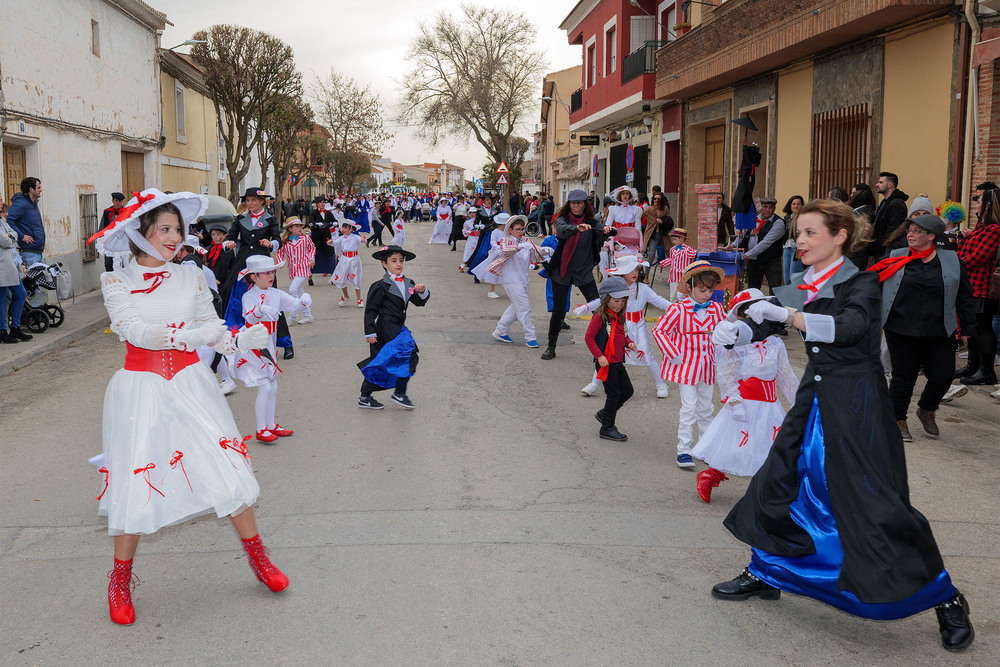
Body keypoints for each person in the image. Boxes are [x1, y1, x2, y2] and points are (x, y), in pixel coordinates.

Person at [710, 198, 973, 653]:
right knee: (780, 483)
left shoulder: (862, 281)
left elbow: (848, 327)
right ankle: (767, 573)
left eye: (811, 232)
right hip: (814, 399)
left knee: (876, 506)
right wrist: (741, 331)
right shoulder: (807, 281)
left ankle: (945, 599)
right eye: (799, 232)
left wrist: (788, 315)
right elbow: (771, 317)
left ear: (840, 236)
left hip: (856, 404)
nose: (801, 240)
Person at [87, 189, 286, 626]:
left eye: (178, 229)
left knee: (224, 466)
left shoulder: (191, 276)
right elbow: (136, 331)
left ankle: (259, 557)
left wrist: (237, 342)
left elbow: (210, 328)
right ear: (142, 233)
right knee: (138, 481)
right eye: (164, 229)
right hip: (141, 388)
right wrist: (192, 337)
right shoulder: (116, 282)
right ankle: (120, 579)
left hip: (191, 385)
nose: (174, 237)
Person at [869, 214, 975, 441]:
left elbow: (964, 295)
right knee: (903, 377)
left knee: (944, 375)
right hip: (900, 327)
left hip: (939, 328)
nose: (911, 234)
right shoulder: (896, 256)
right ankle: (897, 419)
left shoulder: (952, 261)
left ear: (931, 236)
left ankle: (926, 408)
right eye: (910, 230)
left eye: (917, 231)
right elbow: (876, 286)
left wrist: (968, 325)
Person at [692, 288, 798, 502]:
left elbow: (786, 376)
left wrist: (801, 403)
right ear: (740, 317)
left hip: (770, 406)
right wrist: (734, 401)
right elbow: (726, 374)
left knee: (771, 448)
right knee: (735, 446)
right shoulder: (737, 344)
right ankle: (710, 474)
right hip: (744, 404)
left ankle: (768, 493)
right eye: (746, 313)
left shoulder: (775, 343)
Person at [652, 260, 726, 469]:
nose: (707, 295)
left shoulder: (717, 309)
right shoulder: (678, 309)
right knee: (689, 408)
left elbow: (723, 332)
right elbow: (659, 331)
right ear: (689, 287)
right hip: (686, 366)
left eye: (710, 291)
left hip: (707, 367)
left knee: (706, 408)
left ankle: (706, 447)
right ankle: (683, 450)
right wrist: (673, 353)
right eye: (702, 290)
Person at [231, 255, 311, 443]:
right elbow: (249, 317)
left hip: (270, 342)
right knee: (265, 386)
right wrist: (260, 310)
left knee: (272, 385)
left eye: (273, 272)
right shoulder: (248, 296)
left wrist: (304, 301)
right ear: (253, 277)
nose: (271, 275)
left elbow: (294, 305)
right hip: (255, 343)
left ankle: (270, 424)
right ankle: (261, 429)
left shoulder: (275, 294)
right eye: (266, 272)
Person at [575, 255, 671, 398]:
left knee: (647, 354)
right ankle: (594, 383)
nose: (634, 273)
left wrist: (677, 309)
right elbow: (601, 300)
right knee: (607, 351)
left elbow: (659, 301)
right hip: (617, 324)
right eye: (630, 270)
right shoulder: (615, 287)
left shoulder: (643, 289)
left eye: (636, 270)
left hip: (638, 326)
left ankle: (660, 384)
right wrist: (586, 307)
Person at [542, 189, 614, 360]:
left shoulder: (591, 221)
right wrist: (577, 228)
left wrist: (607, 229)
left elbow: (599, 228)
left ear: (584, 205)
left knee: (598, 308)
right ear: (569, 204)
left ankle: (601, 349)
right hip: (562, 270)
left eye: (579, 203)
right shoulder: (563, 219)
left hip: (583, 270)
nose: (576, 206)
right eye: (573, 203)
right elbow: (561, 230)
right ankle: (551, 347)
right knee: (558, 312)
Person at [357, 245, 430, 410]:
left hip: (398, 327)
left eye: (401, 261)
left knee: (382, 362)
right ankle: (399, 393)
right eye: (394, 261)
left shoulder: (408, 282)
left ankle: (365, 397)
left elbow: (419, 302)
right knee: (407, 357)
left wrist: (422, 291)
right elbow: (370, 311)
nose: (399, 264)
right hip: (385, 327)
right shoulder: (380, 285)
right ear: (384, 264)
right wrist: (370, 332)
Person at [955, 185, 1000, 385]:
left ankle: (986, 371)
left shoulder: (995, 229)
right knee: (971, 326)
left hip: (982, 287)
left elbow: (978, 257)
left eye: (980, 202)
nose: (977, 204)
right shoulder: (982, 228)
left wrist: (956, 262)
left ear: (988, 206)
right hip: (970, 284)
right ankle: (973, 366)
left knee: (983, 327)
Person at [585, 275, 639, 442]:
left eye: (622, 301)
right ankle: (606, 428)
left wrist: (628, 343)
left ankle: (605, 414)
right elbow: (589, 338)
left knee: (628, 391)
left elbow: (622, 336)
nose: (619, 304)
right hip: (606, 362)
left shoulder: (619, 317)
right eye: (616, 301)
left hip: (617, 361)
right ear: (606, 299)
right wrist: (599, 356)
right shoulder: (599, 317)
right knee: (613, 394)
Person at [487, 215, 552, 348]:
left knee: (515, 308)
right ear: (510, 230)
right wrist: (520, 246)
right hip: (511, 280)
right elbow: (505, 251)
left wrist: (546, 251)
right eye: (518, 229)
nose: (521, 232)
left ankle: (500, 331)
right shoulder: (506, 241)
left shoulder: (526, 241)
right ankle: (530, 337)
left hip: (523, 280)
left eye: (522, 229)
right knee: (524, 308)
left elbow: (535, 252)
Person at [734, 196, 785, 292]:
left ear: (774, 208)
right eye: (765, 207)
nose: (768, 210)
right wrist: (733, 245)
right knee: (753, 289)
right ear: (761, 207)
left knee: (775, 290)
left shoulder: (778, 222)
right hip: (754, 260)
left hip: (771, 261)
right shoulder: (753, 219)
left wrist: (747, 255)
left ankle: (774, 306)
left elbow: (766, 242)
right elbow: (743, 235)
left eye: (771, 207)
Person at [275, 216, 316, 325]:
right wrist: (279, 262)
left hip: (303, 267)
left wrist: (311, 258)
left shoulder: (306, 238)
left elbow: (312, 248)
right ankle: (308, 315)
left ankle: (293, 315)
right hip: (293, 269)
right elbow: (279, 253)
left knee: (292, 290)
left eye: (300, 226)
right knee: (299, 292)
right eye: (297, 226)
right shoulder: (285, 241)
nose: (300, 228)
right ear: (290, 229)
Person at [0, 212, 32, 343]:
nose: (1, 203)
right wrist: (9, 236)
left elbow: (14, 234)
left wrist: (9, 235)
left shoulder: (2, 220)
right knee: (2, 299)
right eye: (0, 200)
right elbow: (5, 242)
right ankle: (2, 330)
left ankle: (15, 327)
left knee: (20, 294)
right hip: (2, 265)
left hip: (11, 264)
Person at [7, 177, 45, 267]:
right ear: (31, 190)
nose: (41, 190)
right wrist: (22, 236)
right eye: (38, 188)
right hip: (29, 254)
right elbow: (8, 220)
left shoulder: (34, 203)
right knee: (32, 281)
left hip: (37, 252)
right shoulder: (21, 203)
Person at [470, 212, 509, 299]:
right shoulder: (495, 232)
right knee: (494, 273)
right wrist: (498, 249)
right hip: (497, 254)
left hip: (506, 253)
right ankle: (491, 291)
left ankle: (510, 289)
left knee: (508, 272)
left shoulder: (508, 232)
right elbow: (493, 242)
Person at [872, 171, 909, 259]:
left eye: (881, 182)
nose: (877, 185)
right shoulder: (885, 202)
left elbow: (894, 229)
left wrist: (881, 245)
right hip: (881, 251)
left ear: (890, 185)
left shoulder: (897, 204)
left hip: (887, 252)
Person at [331, 220, 365, 308]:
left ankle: (359, 299)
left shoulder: (355, 237)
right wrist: (331, 242)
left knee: (356, 279)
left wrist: (363, 239)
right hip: (344, 260)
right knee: (341, 278)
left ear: (351, 229)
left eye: (345, 228)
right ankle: (346, 297)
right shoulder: (341, 238)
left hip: (354, 260)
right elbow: (336, 242)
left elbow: (361, 240)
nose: (343, 229)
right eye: (342, 228)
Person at [659, 228, 698, 301]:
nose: (673, 241)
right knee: (673, 295)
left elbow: (696, 254)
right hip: (673, 276)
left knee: (682, 295)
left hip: (683, 277)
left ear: (682, 239)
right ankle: (674, 309)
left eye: (675, 239)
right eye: (673, 239)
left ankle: (684, 309)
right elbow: (671, 260)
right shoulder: (673, 249)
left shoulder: (688, 249)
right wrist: (663, 263)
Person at [847, 183, 876, 268]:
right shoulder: (870, 212)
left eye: (853, 193)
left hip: (855, 255)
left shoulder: (857, 216)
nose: (851, 195)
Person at [642, 192, 674, 264]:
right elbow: (640, 215)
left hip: (663, 234)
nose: (656, 200)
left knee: (669, 254)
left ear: (661, 200)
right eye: (655, 199)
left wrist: (662, 220)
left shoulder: (665, 209)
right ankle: (646, 275)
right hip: (652, 234)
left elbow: (670, 220)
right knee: (651, 255)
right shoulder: (649, 209)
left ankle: (674, 273)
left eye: (658, 199)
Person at [99, 192, 127, 272]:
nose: (118, 203)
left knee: (121, 263)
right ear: (113, 201)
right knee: (108, 263)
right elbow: (102, 226)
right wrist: (101, 238)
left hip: (121, 242)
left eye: (120, 201)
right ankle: (111, 280)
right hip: (109, 241)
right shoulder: (107, 212)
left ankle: (121, 281)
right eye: (116, 200)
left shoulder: (125, 212)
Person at [780, 195, 804, 284]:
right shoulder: (786, 218)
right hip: (787, 247)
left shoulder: (804, 218)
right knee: (786, 277)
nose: (796, 206)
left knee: (794, 276)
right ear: (790, 205)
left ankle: (794, 296)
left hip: (797, 249)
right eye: (794, 204)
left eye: (798, 204)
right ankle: (787, 296)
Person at [310, 197, 336, 277]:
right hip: (317, 237)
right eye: (320, 202)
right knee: (314, 255)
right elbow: (310, 222)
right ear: (317, 204)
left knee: (331, 254)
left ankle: (332, 275)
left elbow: (334, 220)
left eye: (323, 202)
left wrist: (334, 222)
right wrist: (315, 224)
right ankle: (310, 276)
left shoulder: (328, 213)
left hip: (326, 237)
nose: (322, 204)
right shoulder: (314, 213)